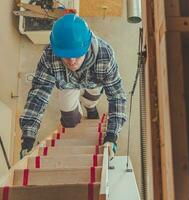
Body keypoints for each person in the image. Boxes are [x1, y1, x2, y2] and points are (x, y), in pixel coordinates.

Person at [19, 14, 127, 160]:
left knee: (92, 98)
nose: (71, 61)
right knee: (69, 118)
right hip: (67, 84)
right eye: (65, 55)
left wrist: (112, 135)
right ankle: (79, 114)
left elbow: (117, 96)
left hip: (94, 83)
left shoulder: (105, 56)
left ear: (87, 46)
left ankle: (90, 108)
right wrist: (28, 137)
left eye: (77, 54)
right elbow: (39, 94)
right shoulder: (49, 56)